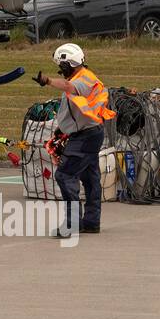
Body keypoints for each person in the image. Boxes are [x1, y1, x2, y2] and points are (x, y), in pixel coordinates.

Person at [32, 43, 115, 237]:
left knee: (65, 175)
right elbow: (76, 108)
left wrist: (47, 81)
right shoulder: (81, 76)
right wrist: (63, 130)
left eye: (61, 66)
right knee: (89, 177)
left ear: (69, 64)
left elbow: (69, 87)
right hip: (88, 133)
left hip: (86, 137)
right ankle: (91, 222)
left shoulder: (82, 80)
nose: (60, 71)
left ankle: (72, 224)